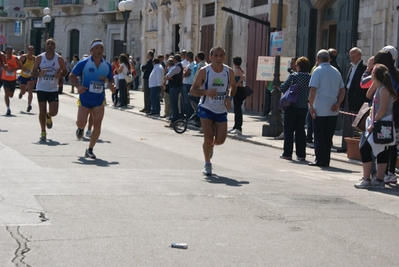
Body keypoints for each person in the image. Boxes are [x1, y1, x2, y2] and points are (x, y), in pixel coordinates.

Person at [190, 46, 236, 175]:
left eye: (221, 55)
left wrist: (229, 96)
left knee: (220, 140)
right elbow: (193, 90)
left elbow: (233, 86)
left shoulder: (229, 71)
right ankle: (207, 164)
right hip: (206, 107)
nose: (218, 58)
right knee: (208, 137)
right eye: (215, 55)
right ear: (210, 57)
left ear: (224, 57)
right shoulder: (205, 71)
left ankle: (210, 145)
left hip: (221, 110)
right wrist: (206, 92)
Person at [69, 38, 116, 159]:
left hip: (99, 99)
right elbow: (72, 76)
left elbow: (110, 79)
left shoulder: (107, 66)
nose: (99, 50)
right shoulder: (83, 63)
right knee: (81, 122)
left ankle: (90, 149)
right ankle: (80, 128)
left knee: (98, 123)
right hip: (85, 97)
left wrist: (112, 86)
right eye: (97, 48)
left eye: (101, 48)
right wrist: (78, 86)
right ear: (91, 51)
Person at [355, 64, 397, 189]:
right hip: (380, 123)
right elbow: (368, 94)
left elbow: (383, 109)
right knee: (380, 151)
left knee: (365, 148)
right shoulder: (380, 88)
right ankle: (378, 179)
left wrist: (373, 123)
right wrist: (375, 81)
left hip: (382, 124)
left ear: (375, 75)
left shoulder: (384, 90)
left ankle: (369, 178)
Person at [308, 49, 345, 167]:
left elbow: (313, 90)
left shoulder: (317, 71)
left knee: (319, 135)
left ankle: (320, 159)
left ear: (318, 59)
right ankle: (326, 159)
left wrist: (311, 106)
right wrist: (338, 103)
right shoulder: (336, 71)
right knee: (328, 136)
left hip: (320, 107)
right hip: (332, 108)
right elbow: (343, 90)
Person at [31, 39, 68, 140]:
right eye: (48, 44)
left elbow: (65, 71)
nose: (50, 45)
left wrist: (60, 74)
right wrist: (39, 73)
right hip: (41, 88)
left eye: (52, 44)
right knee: (41, 109)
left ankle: (49, 115)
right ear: (45, 46)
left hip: (53, 89)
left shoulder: (59, 59)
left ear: (54, 46)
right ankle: (43, 131)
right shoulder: (39, 58)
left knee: (54, 111)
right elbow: (32, 72)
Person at [279, 57, 311, 161]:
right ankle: (301, 154)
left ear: (298, 66)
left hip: (291, 106)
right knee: (300, 131)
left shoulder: (293, 76)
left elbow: (283, 88)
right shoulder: (310, 77)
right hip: (303, 107)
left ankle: (287, 153)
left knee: (289, 131)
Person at [340, 47, 368, 152]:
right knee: (347, 122)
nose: (352, 59)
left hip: (357, 98)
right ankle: (345, 146)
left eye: (354, 57)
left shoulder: (364, 67)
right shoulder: (351, 67)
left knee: (356, 123)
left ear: (359, 56)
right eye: (350, 57)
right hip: (348, 95)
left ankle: (355, 148)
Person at [2, 45, 22, 115]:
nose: (9, 52)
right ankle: (8, 108)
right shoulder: (3, 58)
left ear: (12, 51)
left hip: (13, 79)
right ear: (5, 52)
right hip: (5, 78)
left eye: (10, 51)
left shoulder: (15, 58)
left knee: (11, 95)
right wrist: (4, 67)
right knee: (6, 93)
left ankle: (8, 106)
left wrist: (14, 69)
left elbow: (21, 66)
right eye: (8, 51)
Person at [164, 54, 183, 127]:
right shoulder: (179, 66)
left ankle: (174, 120)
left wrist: (169, 78)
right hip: (177, 86)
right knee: (175, 104)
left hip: (174, 87)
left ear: (175, 59)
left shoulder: (176, 67)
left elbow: (167, 76)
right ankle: (175, 119)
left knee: (174, 104)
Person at [230, 56, 246, 135]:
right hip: (238, 90)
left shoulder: (237, 70)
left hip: (238, 90)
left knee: (237, 109)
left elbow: (243, 77)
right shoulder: (239, 69)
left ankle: (238, 127)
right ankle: (236, 126)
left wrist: (236, 83)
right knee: (237, 109)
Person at [18, 45, 37, 112]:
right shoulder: (23, 57)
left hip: (30, 77)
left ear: (33, 51)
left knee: (30, 91)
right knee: (23, 91)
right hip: (23, 76)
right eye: (29, 50)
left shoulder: (35, 59)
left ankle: (29, 105)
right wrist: (22, 68)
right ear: (27, 50)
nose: (31, 52)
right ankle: (21, 93)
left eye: (32, 50)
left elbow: (37, 66)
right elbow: (18, 64)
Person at [182, 51, 196, 119]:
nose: (185, 57)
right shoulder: (188, 64)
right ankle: (187, 115)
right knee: (185, 101)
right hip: (186, 83)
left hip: (188, 84)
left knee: (188, 101)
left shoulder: (192, 64)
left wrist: (184, 72)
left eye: (186, 56)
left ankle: (189, 116)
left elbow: (186, 74)